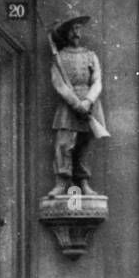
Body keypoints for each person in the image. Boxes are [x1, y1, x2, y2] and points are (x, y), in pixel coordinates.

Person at [48, 14, 109, 198]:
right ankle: (62, 182)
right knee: (64, 144)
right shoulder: (60, 57)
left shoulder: (91, 56)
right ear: (66, 33)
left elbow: (97, 81)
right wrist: (76, 104)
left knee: (85, 145)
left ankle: (83, 182)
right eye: (72, 29)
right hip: (69, 105)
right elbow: (59, 84)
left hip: (89, 105)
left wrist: (88, 101)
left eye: (78, 29)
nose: (76, 33)